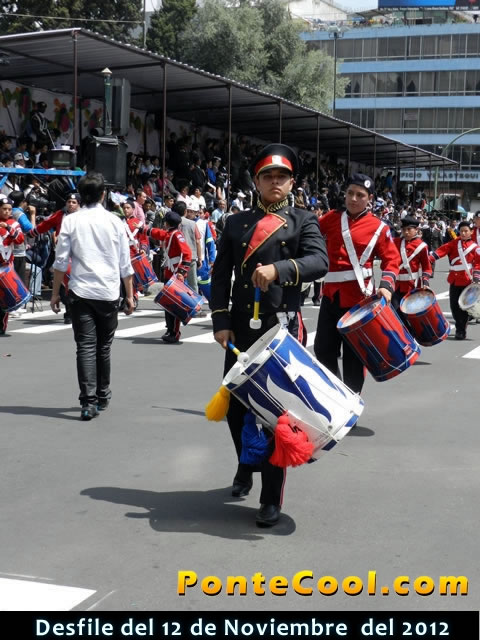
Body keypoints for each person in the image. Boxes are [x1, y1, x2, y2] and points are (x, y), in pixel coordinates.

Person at [210, 143, 328, 528]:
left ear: (291, 182)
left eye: (282, 176)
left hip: (281, 327)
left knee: (277, 414)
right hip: (241, 326)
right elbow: (220, 276)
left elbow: (319, 262)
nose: (275, 182)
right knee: (235, 407)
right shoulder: (235, 222)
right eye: (268, 176)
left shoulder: (303, 220)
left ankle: (270, 497)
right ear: (257, 182)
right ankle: (247, 463)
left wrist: (280, 269)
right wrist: (220, 319)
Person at [50, 172, 134, 421]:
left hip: (80, 291)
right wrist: (130, 296)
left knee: (85, 347)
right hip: (108, 291)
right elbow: (125, 264)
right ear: (103, 195)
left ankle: (88, 402)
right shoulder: (115, 221)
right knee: (103, 347)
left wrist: (55, 293)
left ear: (81, 196)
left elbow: (60, 261)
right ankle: (102, 394)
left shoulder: (71, 221)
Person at [313, 173, 401, 395]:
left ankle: (352, 398)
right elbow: (310, 235)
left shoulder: (379, 227)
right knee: (323, 350)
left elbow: (392, 260)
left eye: (360, 195)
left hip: (359, 302)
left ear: (369, 198)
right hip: (331, 296)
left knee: (354, 358)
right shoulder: (331, 218)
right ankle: (336, 395)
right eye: (350, 193)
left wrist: (386, 285)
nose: (353, 199)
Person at [430, 220, 480, 340]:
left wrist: (476, 277)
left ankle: (460, 330)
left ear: (471, 232)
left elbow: (478, 264)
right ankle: (461, 324)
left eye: (466, 231)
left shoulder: (475, 248)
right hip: (454, 280)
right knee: (454, 306)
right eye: (461, 231)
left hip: (467, 281)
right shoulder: (453, 244)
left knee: (463, 307)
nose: (463, 233)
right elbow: (441, 251)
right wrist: (428, 258)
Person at [149, 210, 192, 343]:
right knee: (167, 304)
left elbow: (187, 254)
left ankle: (175, 332)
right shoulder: (170, 234)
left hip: (176, 275)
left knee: (174, 305)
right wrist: (143, 229)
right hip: (169, 274)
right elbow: (159, 234)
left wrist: (181, 272)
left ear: (167, 223)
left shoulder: (177, 235)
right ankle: (170, 329)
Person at [391, 215, 432, 322]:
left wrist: (425, 282)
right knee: (396, 315)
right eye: (404, 229)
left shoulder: (422, 246)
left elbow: (426, 267)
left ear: (416, 230)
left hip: (412, 286)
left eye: (409, 229)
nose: (406, 232)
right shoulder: (395, 242)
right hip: (396, 286)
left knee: (411, 317)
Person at [0, 196, 25, 336]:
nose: (7, 212)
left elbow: (20, 239)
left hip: (6, 266)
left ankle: (1, 326)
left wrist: (8, 227)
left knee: (4, 298)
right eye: (4, 209)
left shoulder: (14, 224)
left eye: (9, 209)